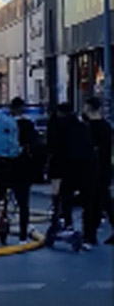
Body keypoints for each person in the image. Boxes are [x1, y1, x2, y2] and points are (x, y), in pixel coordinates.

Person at [47, 102, 98, 250]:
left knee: (65, 196)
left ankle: (66, 224)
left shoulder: (58, 125)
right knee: (88, 203)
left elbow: (53, 147)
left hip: (68, 167)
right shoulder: (82, 126)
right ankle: (89, 234)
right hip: (87, 167)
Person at [0, 97, 37, 243]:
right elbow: (35, 144)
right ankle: (23, 236)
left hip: (3, 165)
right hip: (22, 167)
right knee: (23, 203)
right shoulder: (28, 125)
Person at [83, 96, 114, 244]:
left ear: (88, 108)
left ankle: (90, 234)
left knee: (91, 202)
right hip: (105, 168)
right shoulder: (107, 127)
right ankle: (91, 233)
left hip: (91, 169)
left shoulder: (87, 128)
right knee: (104, 200)